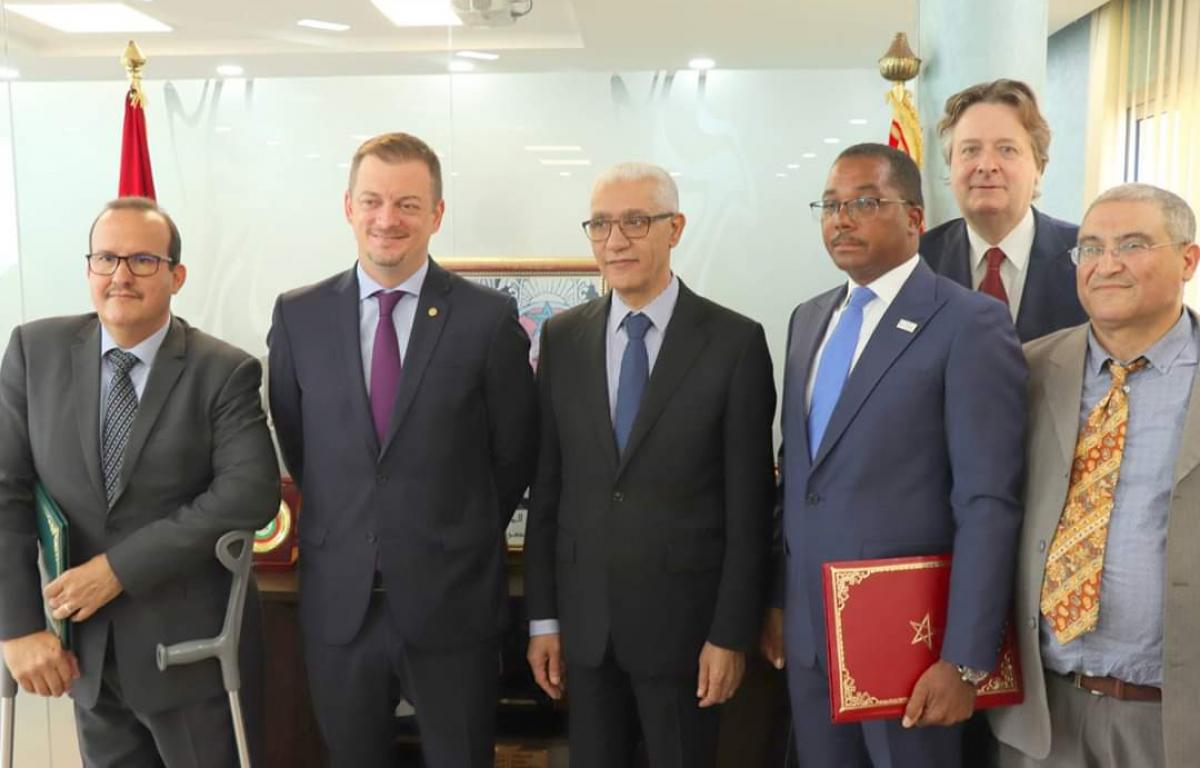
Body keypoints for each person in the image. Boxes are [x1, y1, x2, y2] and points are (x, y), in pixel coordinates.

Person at [268, 132, 538, 767]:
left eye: (409, 204)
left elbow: (515, 453)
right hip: (341, 608)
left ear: (436, 214)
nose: (388, 219)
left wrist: (452, 531)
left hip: (453, 605)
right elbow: (298, 440)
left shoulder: (489, 319)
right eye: (373, 201)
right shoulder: (299, 316)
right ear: (348, 207)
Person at [763, 143, 1026, 766]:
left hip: (911, 649)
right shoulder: (808, 320)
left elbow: (988, 502)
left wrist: (964, 658)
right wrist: (779, 601)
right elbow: (801, 481)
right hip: (809, 641)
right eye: (829, 205)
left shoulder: (969, 323)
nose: (841, 219)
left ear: (914, 218)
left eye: (863, 203)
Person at [0, 196, 279, 767]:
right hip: (84, 660)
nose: (121, 276)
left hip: (191, 661)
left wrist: (118, 569)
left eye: (143, 261)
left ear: (176, 275)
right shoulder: (35, 352)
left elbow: (249, 493)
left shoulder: (224, 370)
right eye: (106, 258)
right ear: (88, 269)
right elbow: (5, 490)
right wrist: (18, 628)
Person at [524, 162, 776, 767]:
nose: (616, 240)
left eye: (636, 221)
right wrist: (543, 622)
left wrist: (729, 634)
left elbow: (750, 510)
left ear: (675, 228)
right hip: (586, 634)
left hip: (688, 639)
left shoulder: (734, 343)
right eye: (601, 225)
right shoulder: (562, 338)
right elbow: (549, 491)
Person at [990, 183, 1200, 768]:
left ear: (1188, 259)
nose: (1106, 265)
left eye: (1132, 245)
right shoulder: (1027, 369)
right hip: (1043, 712)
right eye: (1090, 248)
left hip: (1173, 719)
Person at [920, 78, 1087, 342]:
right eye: (970, 150)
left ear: (1039, 167)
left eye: (1007, 150)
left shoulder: (1086, 258)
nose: (986, 165)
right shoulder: (918, 261)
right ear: (950, 167)